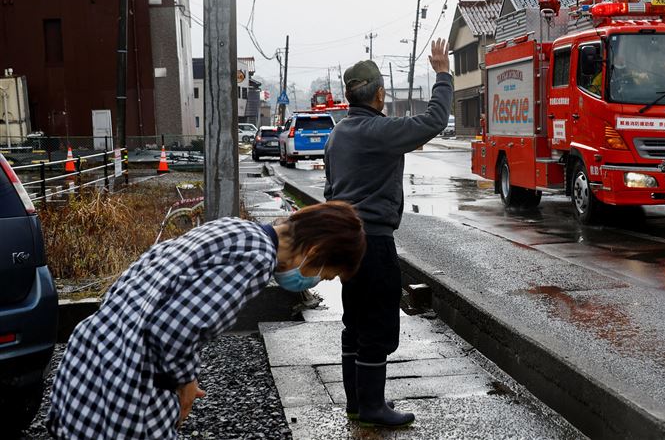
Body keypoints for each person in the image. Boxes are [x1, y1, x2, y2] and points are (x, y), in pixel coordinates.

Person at [46, 202, 366, 439]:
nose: (318, 281)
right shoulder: (256, 258)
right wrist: (185, 382)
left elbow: (142, 278)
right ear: (315, 251)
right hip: (125, 382)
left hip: (88, 362)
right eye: (327, 274)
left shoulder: (234, 229)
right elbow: (174, 328)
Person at [323, 38, 452, 428]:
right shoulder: (379, 131)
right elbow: (433, 120)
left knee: (355, 324)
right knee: (378, 326)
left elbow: (330, 191)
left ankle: (357, 403)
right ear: (380, 93)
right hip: (374, 244)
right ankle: (373, 408)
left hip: (346, 244)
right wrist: (443, 72)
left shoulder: (338, 135)